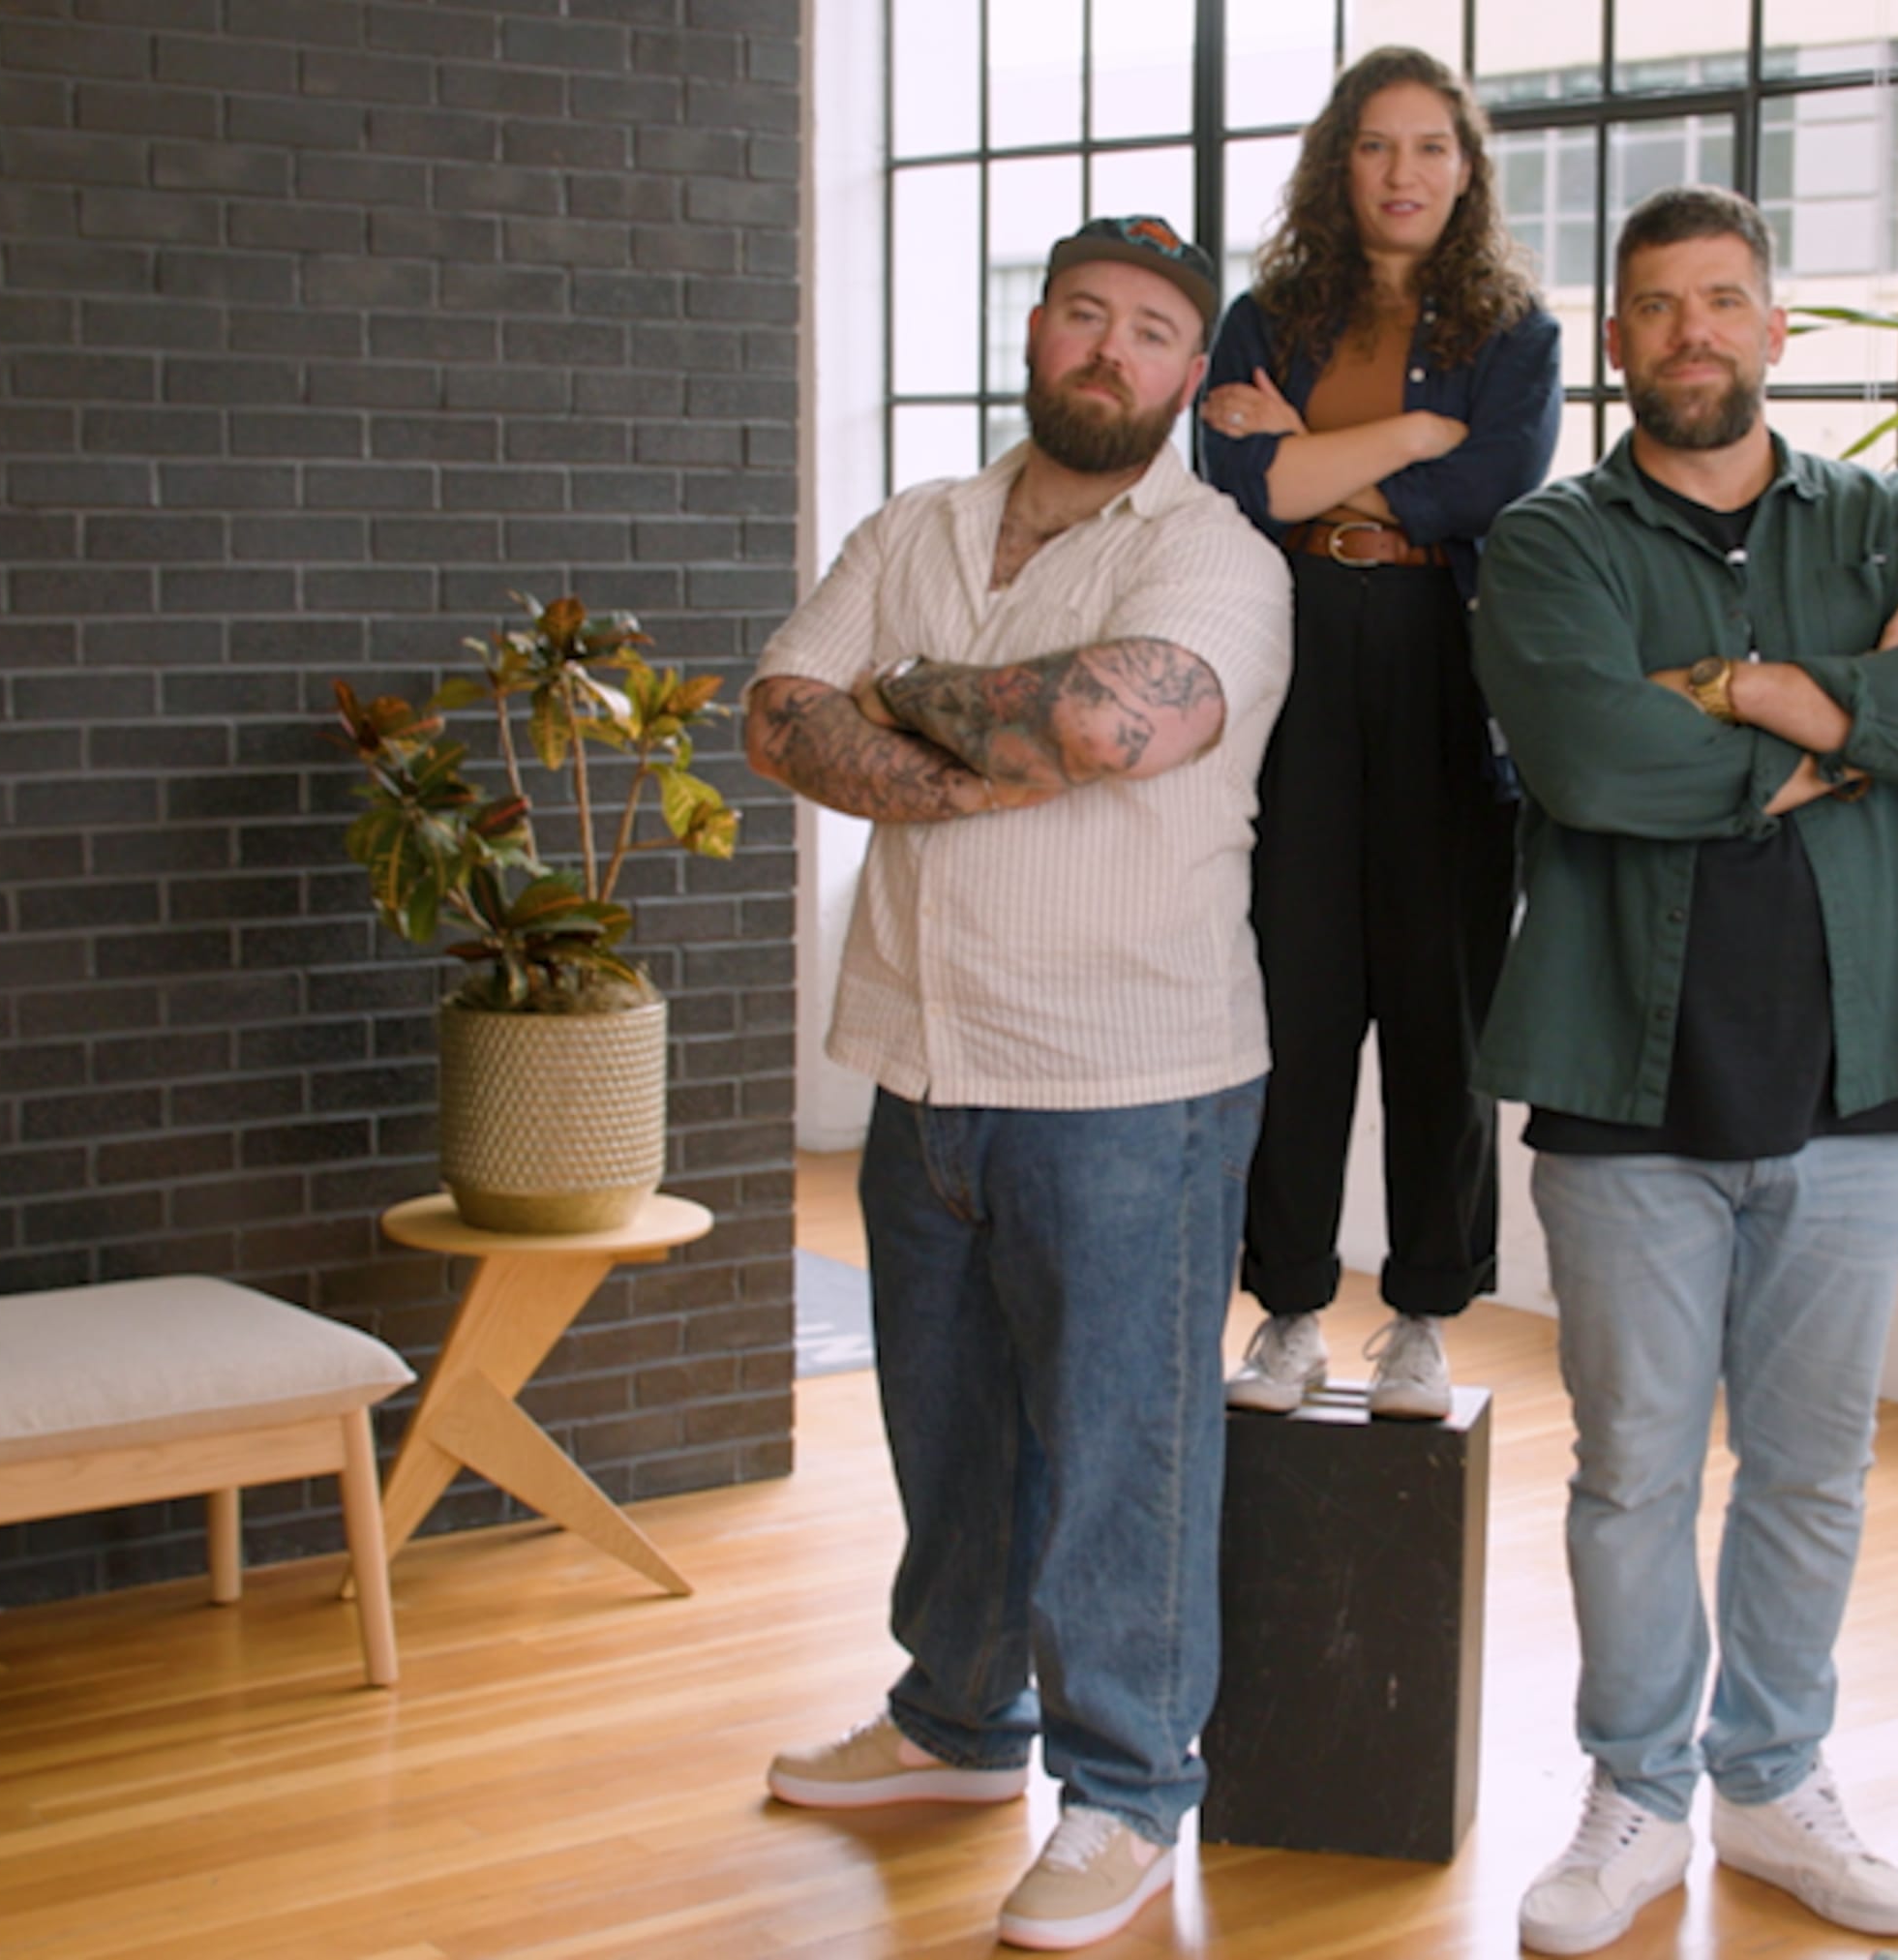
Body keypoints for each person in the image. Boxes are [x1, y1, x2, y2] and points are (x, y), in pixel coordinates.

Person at [1470, 186, 1898, 1955]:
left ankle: (1774, 1777)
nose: (1693, 331)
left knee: (1812, 1464)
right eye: (1658, 306)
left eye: (1726, 300)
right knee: (1635, 1463)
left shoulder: (1891, 518)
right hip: (1623, 1087)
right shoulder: (1554, 545)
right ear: (1618, 341)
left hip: (1855, 1075)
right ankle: (1636, 1788)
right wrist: (1847, 719)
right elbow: (1583, 758)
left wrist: (1741, 687)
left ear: (1779, 328)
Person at [738, 215, 1290, 1954]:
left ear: (1187, 378)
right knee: (955, 1426)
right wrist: (976, 733)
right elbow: (773, 712)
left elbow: (1121, 725)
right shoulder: (913, 529)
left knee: (1128, 1449)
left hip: (1133, 1076)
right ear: (1037, 332)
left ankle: (1125, 1795)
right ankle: (957, 1722)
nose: (1110, 352)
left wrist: (901, 712)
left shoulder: (1215, 552)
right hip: (923, 1059)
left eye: (1150, 332)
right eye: (1083, 316)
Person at [1196, 45, 1560, 1423]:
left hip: (1441, 671)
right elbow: (1242, 487)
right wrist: (1412, 431)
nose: (1403, 173)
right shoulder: (1264, 316)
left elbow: (1485, 489)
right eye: (1375, 146)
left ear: (1466, 170)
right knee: (1292, 995)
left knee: (1437, 1002)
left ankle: (1421, 1313)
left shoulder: (1516, 334)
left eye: (1431, 147)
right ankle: (1287, 1306)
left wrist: (1330, 455)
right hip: (1292, 666)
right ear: (1335, 163)